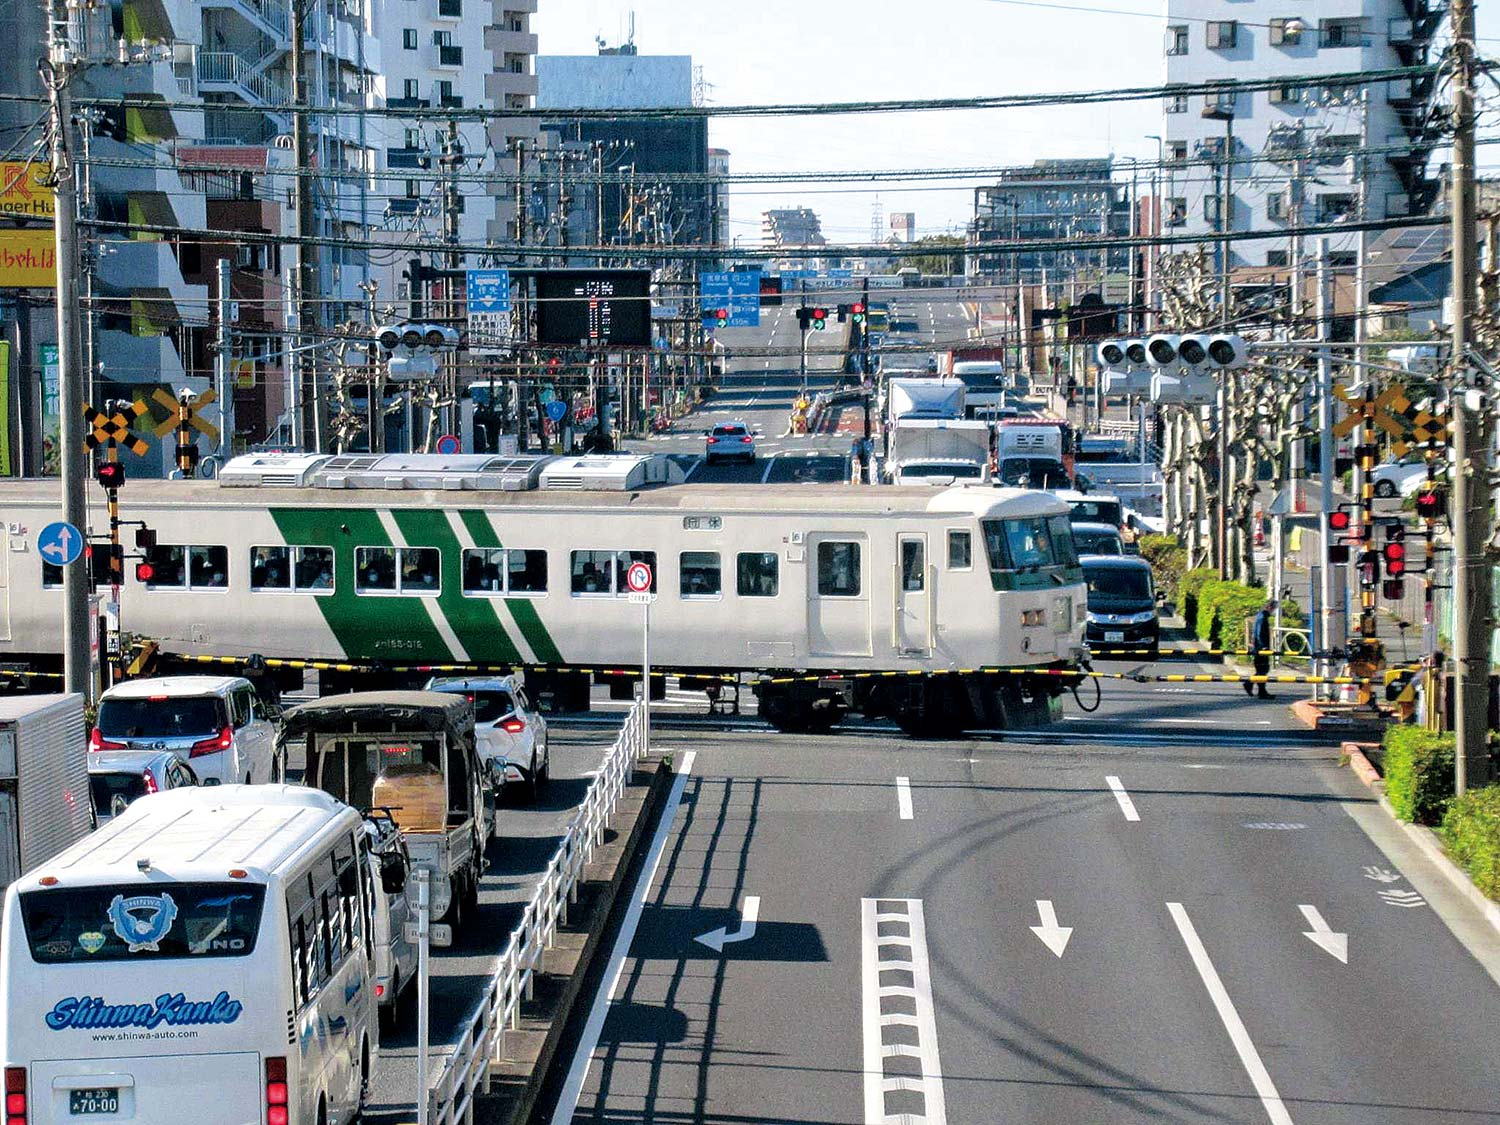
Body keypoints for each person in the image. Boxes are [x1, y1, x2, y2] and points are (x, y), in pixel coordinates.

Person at [1247, 599, 1276, 700]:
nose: (1274, 610)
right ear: (1269, 607)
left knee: (1262, 670)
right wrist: (1263, 646)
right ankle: (1254, 687)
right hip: (1260, 648)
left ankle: (1258, 689)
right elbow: (1259, 633)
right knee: (1262, 670)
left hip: (1259, 647)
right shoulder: (1262, 617)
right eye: (1273, 608)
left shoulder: (1261, 616)